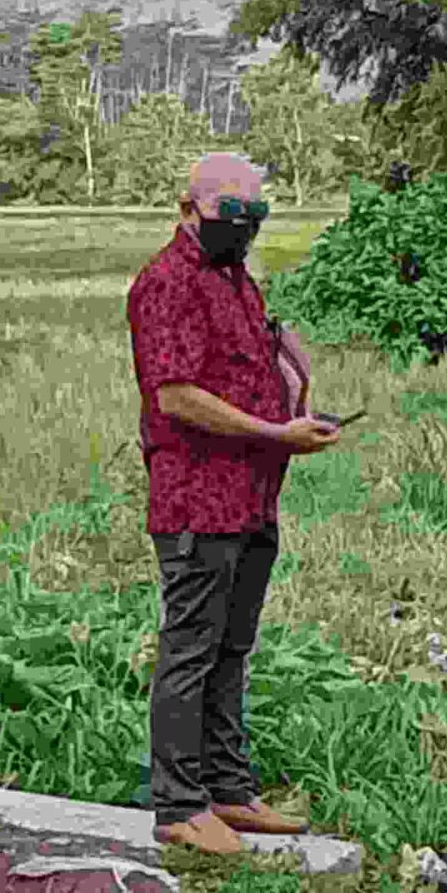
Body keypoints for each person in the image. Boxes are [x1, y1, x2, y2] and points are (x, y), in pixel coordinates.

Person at [127, 152, 343, 857]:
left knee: (232, 646)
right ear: (189, 208)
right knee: (191, 647)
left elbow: (254, 374)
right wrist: (275, 432)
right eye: (232, 216)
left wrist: (296, 384)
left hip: (253, 496)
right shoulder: (166, 285)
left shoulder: (236, 281)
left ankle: (227, 790)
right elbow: (177, 395)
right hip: (197, 497)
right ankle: (179, 805)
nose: (244, 230)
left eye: (257, 218)